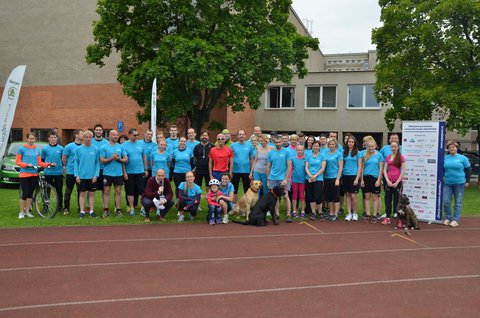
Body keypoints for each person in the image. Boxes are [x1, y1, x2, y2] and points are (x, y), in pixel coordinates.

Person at [16, 132, 53, 218]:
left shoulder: (37, 150)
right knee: (24, 194)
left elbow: (39, 162)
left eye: (33, 139)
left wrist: (49, 164)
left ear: (35, 139)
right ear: (27, 139)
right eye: (30, 138)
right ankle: (21, 212)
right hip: (24, 174)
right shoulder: (21, 149)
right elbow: (17, 161)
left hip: (34, 174)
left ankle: (28, 211)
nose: (31, 140)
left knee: (30, 194)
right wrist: (26, 164)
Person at [443, 140, 471, 227]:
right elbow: (442, 169)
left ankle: (455, 220)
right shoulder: (444, 158)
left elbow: (468, 170)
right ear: (448, 149)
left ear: (457, 148)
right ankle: (448, 218)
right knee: (446, 201)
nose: (452, 148)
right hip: (447, 183)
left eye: (453, 147)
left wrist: (467, 181)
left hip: (459, 183)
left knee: (458, 202)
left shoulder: (463, 158)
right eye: (450, 147)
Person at [100, 130, 128, 217]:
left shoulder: (121, 147)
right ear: (109, 136)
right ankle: (106, 210)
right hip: (107, 173)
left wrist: (119, 159)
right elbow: (102, 160)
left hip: (118, 174)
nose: (116, 136)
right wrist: (111, 158)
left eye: (117, 135)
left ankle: (118, 210)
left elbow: (126, 159)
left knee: (118, 191)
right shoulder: (104, 147)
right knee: (106, 191)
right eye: (114, 135)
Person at [74, 130, 100, 218]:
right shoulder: (78, 149)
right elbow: (76, 163)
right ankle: (82, 211)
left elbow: (97, 163)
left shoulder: (96, 149)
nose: (88, 139)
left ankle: (91, 211)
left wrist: (96, 175)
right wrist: (77, 175)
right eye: (86, 137)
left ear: (92, 138)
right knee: (81, 193)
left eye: (90, 137)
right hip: (81, 176)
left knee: (92, 193)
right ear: (83, 138)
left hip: (92, 176)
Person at [266, 135, 292, 222]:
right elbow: (268, 167)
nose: (278, 143)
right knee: (275, 197)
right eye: (276, 142)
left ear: (282, 142)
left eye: (279, 142)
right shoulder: (270, 153)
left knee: (285, 196)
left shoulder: (287, 152)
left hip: (283, 178)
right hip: (273, 178)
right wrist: (268, 179)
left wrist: (286, 179)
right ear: (274, 143)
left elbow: (289, 166)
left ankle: (288, 215)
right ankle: (277, 214)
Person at [123, 128, 148, 216]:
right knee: (130, 191)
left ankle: (142, 208)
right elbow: (123, 160)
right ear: (129, 135)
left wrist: (145, 169)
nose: (136, 136)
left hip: (140, 171)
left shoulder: (141, 144)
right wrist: (124, 172)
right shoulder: (124, 145)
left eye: (137, 135)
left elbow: (144, 157)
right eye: (135, 135)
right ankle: (132, 208)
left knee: (142, 190)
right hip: (129, 172)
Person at [360, 139, 384, 223]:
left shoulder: (379, 155)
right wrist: (362, 179)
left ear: (375, 146)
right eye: (369, 146)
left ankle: (374, 215)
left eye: (372, 146)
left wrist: (379, 180)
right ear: (367, 147)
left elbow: (381, 169)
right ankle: (367, 214)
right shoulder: (364, 155)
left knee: (375, 197)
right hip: (366, 178)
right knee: (366, 197)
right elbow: (362, 168)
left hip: (375, 178)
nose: (371, 148)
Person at [41, 131, 64, 214]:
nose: (53, 139)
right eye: (51, 137)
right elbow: (42, 161)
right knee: (47, 191)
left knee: (59, 190)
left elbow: (63, 160)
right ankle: (46, 207)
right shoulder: (45, 149)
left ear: (57, 138)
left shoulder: (61, 148)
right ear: (48, 138)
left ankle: (60, 207)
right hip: (48, 173)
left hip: (58, 173)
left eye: (54, 137)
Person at [382, 141, 405, 225]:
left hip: (397, 182)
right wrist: (387, 180)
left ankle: (400, 220)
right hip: (389, 182)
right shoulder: (388, 157)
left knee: (398, 201)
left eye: (395, 147)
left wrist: (397, 182)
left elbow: (403, 170)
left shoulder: (401, 157)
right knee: (388, 200)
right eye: (392, 147)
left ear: (398, 147)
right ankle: (387, 218)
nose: (393, 148)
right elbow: (385, 170)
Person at [62, 129, 83, 215]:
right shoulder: (69, 146)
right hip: (71, 172)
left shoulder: (84, 146)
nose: (83, 135)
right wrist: (69, 167)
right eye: (82, 134)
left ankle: (80, 208)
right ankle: (66, 208)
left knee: (80, 191)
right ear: (76, 135)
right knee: (68, 190)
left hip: (81, 173)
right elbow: (64, 159)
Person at [342, 136, 361, 221]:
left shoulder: (358, 152)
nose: (350, 143)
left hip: (354, 176)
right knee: (348, 195)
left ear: (355, 143)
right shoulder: (344, 152)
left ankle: (355, 213)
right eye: (349, 142)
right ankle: (349, 213)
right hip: (345, 175)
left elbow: (360, 166)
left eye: (352, 142)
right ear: (347, 143)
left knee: (353, 196)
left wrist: (357, 178)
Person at [323, 139, 344, 221]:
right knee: (329, 197)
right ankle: (331, 213)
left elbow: (340, 167)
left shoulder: (339, 154)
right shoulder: (325, 154)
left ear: (335, 145)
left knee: (336, 196)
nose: (331, 145)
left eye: (333, 144)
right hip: (326, 177)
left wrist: (338, 179)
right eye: (330, 144)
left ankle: (336, 214)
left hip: (335, 177)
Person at [305, 140, 326, 220]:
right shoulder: (308, 156)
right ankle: (313, 213)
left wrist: (315, 176)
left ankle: (320, 212)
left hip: (318, 179)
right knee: (311, 196)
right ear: (312, 147)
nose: (315, 147)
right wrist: (310, 175)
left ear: (319, 147)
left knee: (318, 196)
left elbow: (323, 168)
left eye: (317, 146)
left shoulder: (322, 156)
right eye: (314, 146)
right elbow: (306, 167)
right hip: (309, 178)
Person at [231, 129, 255, 197]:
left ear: (245, 136)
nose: (241, 136)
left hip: (246, 171)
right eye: (240, 134)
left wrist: (251, 171)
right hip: (235, 171)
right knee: (234, 189)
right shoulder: (233, 145)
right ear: (237, 136)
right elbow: (231, 159)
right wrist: (230, 171)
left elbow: (251, 159)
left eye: (243, 134)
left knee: (247, 190)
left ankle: (246, 206)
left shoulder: (249, 146)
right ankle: (234, 205)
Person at [92, 124, 109, 198]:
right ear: (94, 131)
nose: (98, 131)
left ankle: (104, 206)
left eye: (100, 130)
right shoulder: (90, 141)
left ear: (102, 131)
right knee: (91, 189)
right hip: (93, 169)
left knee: (104, 189)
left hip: (103, 169)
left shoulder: (106, 142)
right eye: (97, 130)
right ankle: (89, 206)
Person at [291, 145, 306, 219]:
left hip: (302, 180)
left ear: (304, 150)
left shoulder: (306, 159)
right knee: (294, 195)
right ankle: (294, 210)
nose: (300, 151)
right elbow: (291, 169)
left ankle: (303, 211)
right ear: (296, 151)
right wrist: (290, 179)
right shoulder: (293, 158)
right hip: (294, 180)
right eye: (298, 150)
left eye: (301, 150)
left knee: (302, 196)